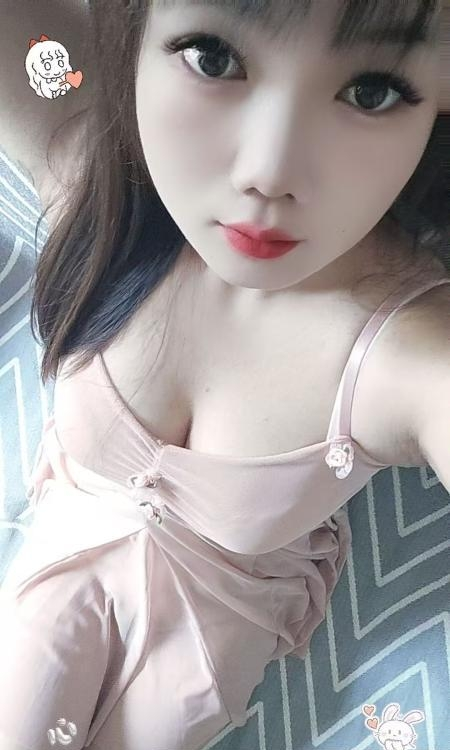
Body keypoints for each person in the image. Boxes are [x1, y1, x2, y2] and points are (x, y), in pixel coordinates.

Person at [0, 1, 449, 749]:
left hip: (203, 654)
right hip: (60, 578)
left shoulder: (411, 352)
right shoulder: (91, 164)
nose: (269, 172)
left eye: (371, 91)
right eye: (213, 57)